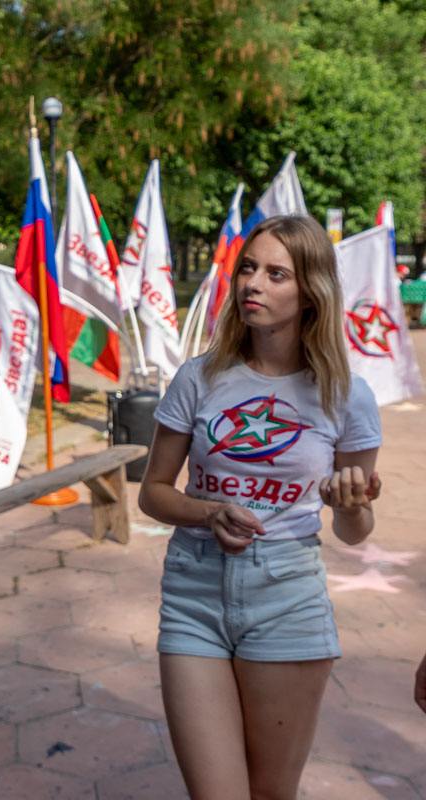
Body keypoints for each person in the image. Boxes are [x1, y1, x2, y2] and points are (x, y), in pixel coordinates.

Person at [138, 215, 383, 799]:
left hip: (287, 595)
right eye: (248, 267)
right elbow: (154, 491)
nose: (254, 283)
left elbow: (355, 531)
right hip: (193, 595)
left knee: (271, 793)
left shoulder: (346, 393)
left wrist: (348, 504)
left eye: (277, 274)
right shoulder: (199, 378)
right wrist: (207, 512)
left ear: (310, 294)